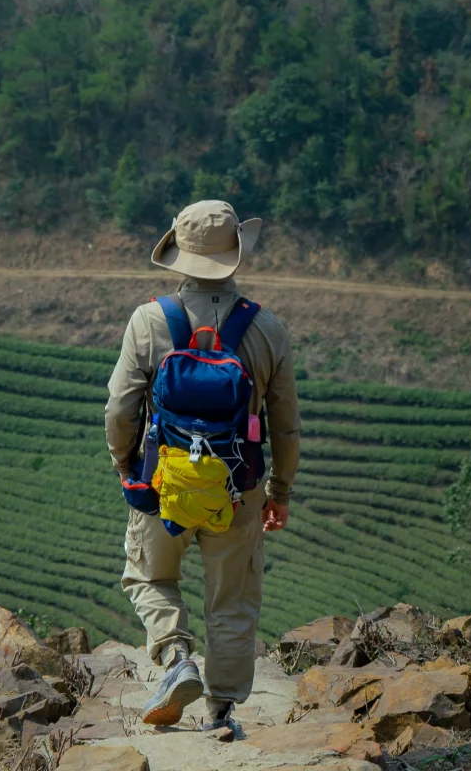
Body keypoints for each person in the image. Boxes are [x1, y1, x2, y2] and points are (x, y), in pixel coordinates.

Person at [105, 199, 301, 735]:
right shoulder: (268, 331)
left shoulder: (148, 322)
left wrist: (128, 468)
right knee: (232, 599)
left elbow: (121, 409)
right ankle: (221, 711)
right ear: (236, 258)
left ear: (179, 257)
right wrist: (279, 492)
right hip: (239, 487)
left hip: (164, 481)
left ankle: (176, 661)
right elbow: (284, 428)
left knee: (149, 576)